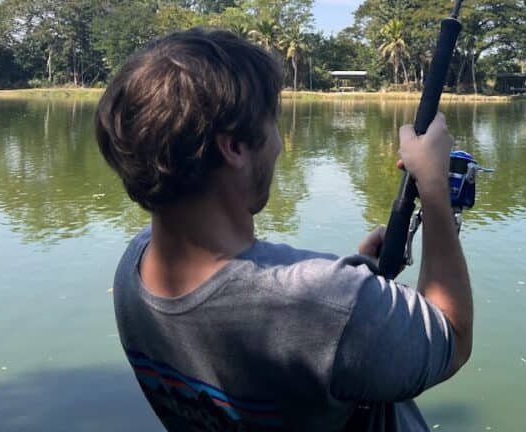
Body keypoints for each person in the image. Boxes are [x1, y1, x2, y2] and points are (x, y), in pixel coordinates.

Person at [95, 28, 473, 431]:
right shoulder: (324, 303)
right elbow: (452, 336)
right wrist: (434, 190)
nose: (278, 144)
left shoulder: (133, 268)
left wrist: (359, 280)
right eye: (273, 124)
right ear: (234, 147)